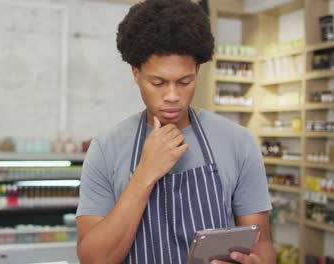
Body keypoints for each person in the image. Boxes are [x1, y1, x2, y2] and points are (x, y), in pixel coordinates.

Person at [76, 0, 275, 263]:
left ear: (198, 71)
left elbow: (263, 245)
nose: (172, 96)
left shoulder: (238, 142)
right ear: (136, 73)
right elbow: (93, 259)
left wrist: (254, 261)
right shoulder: (106, 149)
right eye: (157, 82)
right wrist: (146, 173)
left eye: (184, 81)